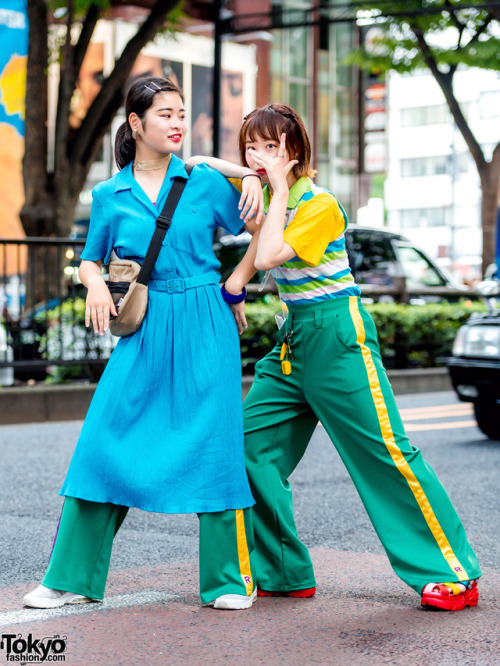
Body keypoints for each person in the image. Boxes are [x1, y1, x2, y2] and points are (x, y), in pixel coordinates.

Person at [220, 103, 481, 611]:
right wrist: (250, 180)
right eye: (251, 146)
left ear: (295, 152)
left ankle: (453, 572)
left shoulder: (319, 205)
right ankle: (283, 570)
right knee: (246, 445)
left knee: (384, 452)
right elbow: (199, 165)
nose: (257, 155)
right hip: (293, 340)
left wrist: (269, 189)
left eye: (270, 146)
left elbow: (270, 254)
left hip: (338, 333)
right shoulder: (267, 190)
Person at [22, 77, 265, 612]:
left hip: (205, 318)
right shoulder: (109, 194)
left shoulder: (202, 181)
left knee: (215, 442)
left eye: (182, 113)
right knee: (101, 441)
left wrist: (244, 175)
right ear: (136, 124)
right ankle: (70, 578)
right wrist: (92, 287)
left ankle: (226, 580)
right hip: (147, 323)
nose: (178, 123)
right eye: (166, 115)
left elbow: (261, 226)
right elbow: (90, 257)